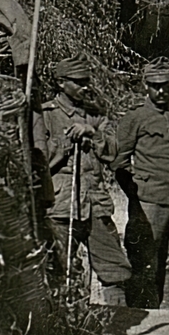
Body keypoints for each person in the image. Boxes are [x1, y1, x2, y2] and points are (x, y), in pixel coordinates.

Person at [32, 57, 133, 306]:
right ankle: (70, 324)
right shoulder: (44, 116)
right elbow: (38, 163)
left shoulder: (96, 116)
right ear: (61, 83)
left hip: (95, 205)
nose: (85, 87)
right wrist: (66, 145)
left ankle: (118, 321)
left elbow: (114, 153)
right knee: (61, 270)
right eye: (78, 82)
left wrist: (92, 133)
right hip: (60, 205)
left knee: (114, 269)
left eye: (87, 81)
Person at [114, 58, 169, 309]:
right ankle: (140, 311)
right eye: (155, 85)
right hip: (149, 202)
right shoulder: (136, 118)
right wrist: (136, 193)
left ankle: (168, 311)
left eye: (166, 85)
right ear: (145, 86)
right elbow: (118, 160)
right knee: (143, 260)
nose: (161, 91)